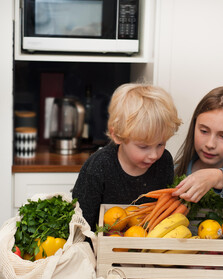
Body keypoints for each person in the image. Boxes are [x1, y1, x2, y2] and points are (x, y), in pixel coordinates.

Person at [73, 83, 182, 231]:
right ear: (117, 136)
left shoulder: (164, 162)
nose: (154, 155)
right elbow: (82, 222)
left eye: (161, 144)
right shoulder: (98, 166)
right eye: (143, 147)